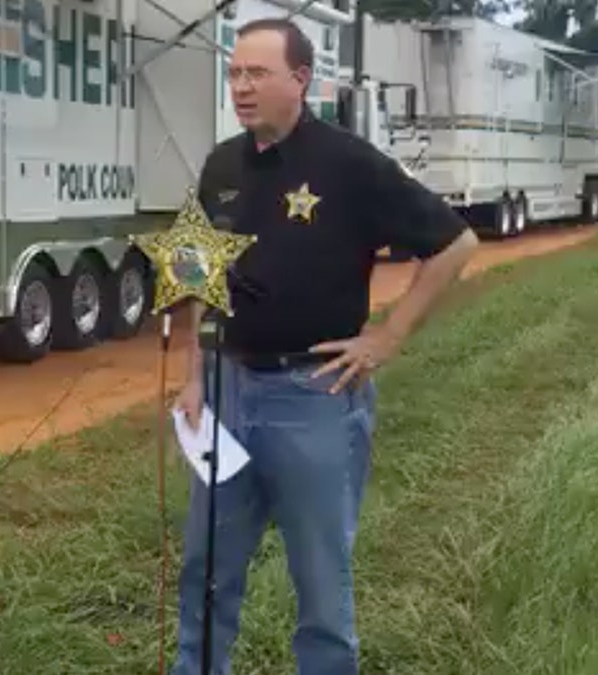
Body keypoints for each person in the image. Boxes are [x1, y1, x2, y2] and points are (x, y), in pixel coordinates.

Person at [169, 16, 479, 675]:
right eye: (234, 73)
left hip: (313, 397)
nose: (242, 87)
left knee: (321, 587)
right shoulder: (221, 163)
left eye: (258, 73)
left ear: (301, 80)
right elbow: (195, 269)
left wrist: (387, 335)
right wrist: (194, 374)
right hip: (227, 392)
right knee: (207, 570)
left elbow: (456, 243)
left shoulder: (348, 163)